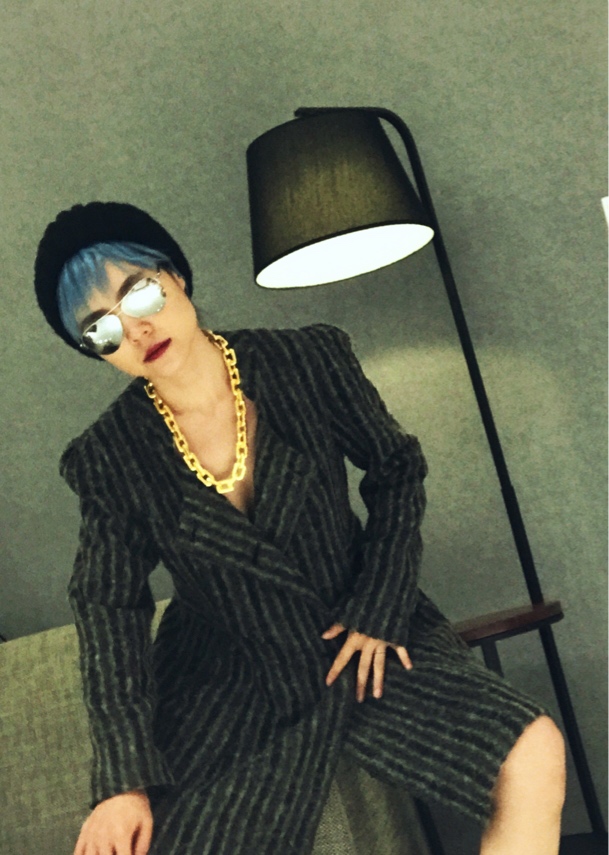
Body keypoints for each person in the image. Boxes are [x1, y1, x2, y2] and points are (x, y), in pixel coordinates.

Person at [34, 201, 566, 855]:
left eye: (139, 292)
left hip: (357, 629)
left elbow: (396, 470)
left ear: (175, 275)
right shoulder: (109, 456)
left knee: (533, 750)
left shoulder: (306, 360)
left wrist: (379, 606)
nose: (135, 330)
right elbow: (107, 605)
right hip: (226, 673)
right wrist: (122, 780)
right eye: (101, 329)